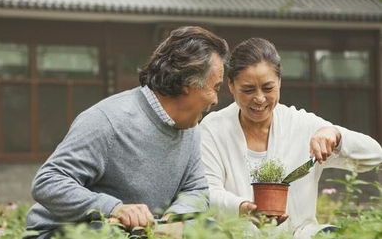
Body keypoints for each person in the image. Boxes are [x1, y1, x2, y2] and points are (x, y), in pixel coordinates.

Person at [26, 26, 229, 238]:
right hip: (65, 233)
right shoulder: (108, 120)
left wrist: (172, 221)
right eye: (215, 87)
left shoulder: (190, 128)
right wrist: (115, 208)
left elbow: (196, 189)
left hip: (139, 233)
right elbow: (48, 181)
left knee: (210, 228)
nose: (215, 100)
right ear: (188, 83)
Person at [200, 38, 382, 239]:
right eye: (248, 89)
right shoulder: (214, 129)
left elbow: (374, 155)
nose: (259, 98)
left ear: (279, 82)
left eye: (268, 88)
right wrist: (244, 208)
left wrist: (335, 135)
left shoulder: (302, 126)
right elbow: (207, 191)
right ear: (231, 86)